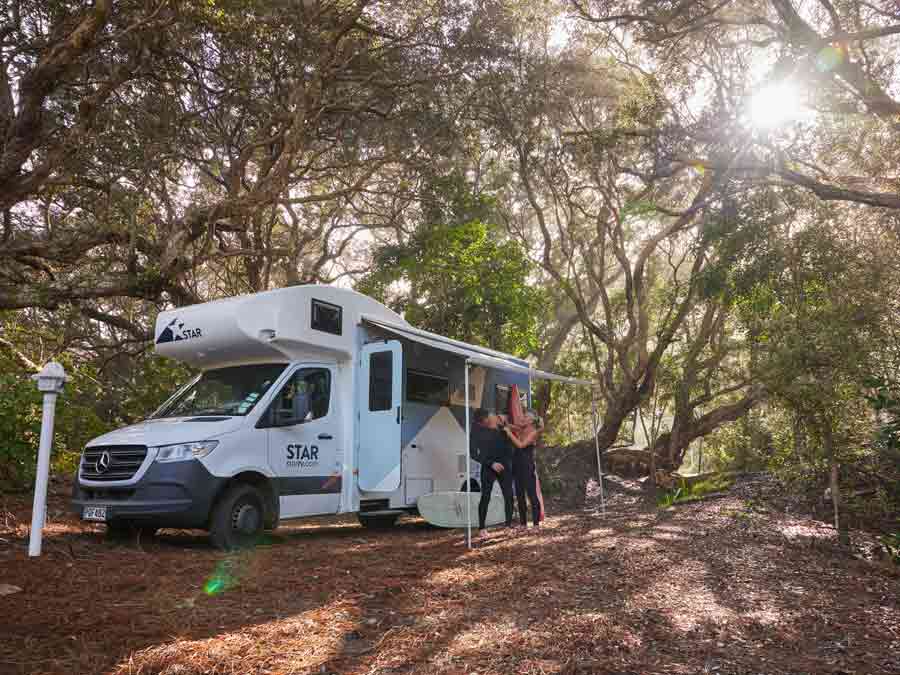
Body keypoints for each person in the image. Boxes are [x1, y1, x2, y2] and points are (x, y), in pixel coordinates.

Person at [468, 408, 515, 534]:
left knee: (509, 496)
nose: (488, 423)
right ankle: (482, 528)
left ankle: (508, 525)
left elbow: (510, 444)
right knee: (485, 496)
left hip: (505, 465)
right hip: (489, 466)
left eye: (489, 420)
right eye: (484, 423)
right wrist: (491, 463)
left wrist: (508, 461)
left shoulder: (501, 424)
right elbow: (473, 454)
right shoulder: (476, 429)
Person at [504, 413, 544, 528]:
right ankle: (523, 523)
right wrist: (504, 422)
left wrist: (509, 433)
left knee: (531, 494)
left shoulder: (533, 432)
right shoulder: (521, 429)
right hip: (517, 465)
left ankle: (536, 524)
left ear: (531, 421)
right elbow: (509, 425)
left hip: (527, 465)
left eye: (526, 417)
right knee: (520, 494)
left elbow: (521, 445)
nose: (523, 418)